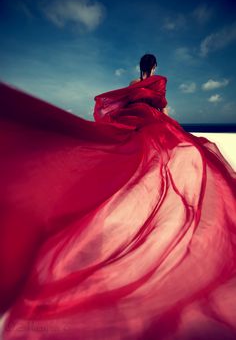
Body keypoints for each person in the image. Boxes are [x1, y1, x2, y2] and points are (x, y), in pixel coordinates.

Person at [0, 54, 236, 340]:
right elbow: (161, 104)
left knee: (129, 160)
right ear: (155, 66)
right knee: (168, 160)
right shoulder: (158, 83)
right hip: (153, 126)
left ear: (141, 67)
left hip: (138, 125)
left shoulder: (134, 82)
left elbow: (127, 103)